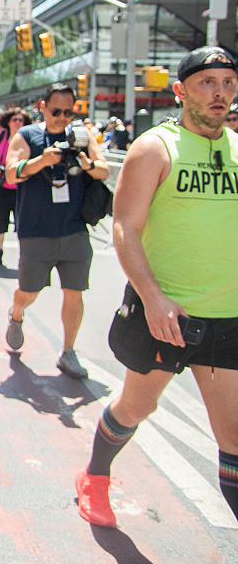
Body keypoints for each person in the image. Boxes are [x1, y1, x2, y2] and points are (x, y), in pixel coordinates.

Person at [75, 46, 238, 528]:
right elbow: (124, 226)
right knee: (136, 405)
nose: (220, 94)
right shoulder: (155, 148)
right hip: (163, 313)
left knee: (232, 438)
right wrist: (153, 298)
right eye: (208, 83)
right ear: (181, 90)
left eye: (228, 83)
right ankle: (95, 475)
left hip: (226, 317)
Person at [3, 85, 109, 379]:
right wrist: (42, 161)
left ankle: (68, 351)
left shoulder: (82, 136)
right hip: (35, 230)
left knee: (74, 292)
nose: (62, 118)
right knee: (29, 291)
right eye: (56, 111)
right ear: (42, 107)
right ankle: (16, 313)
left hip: (74, 229)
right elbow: (11, 172)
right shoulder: (27, 135)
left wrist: (88, 165)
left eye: (68, 112)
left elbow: (103, 170)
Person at [0, 107, 32, 265]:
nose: (18, 123)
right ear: (8, 121)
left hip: (20, 187)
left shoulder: (28, 139)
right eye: (15, 120)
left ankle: (23, 255)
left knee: (22, 222)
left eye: (21, 120)